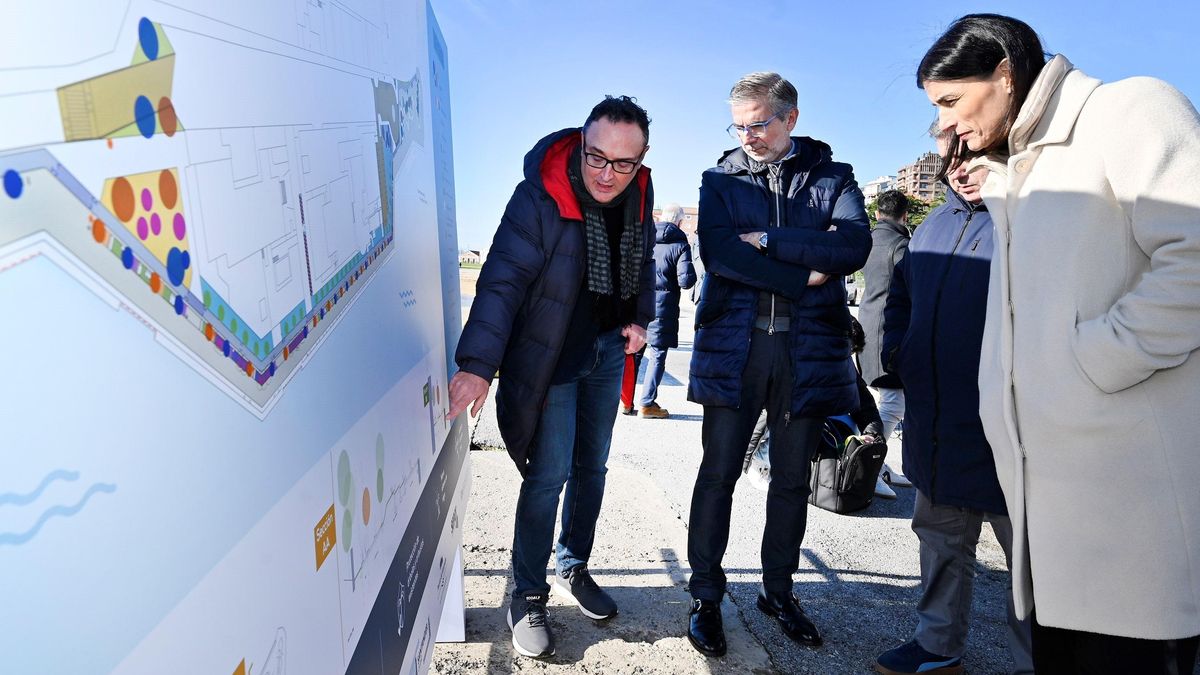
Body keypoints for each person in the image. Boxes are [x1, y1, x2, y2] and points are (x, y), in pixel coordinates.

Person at [919, 14, 1200, 674]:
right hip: (1053, 512)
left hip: (1127, 503)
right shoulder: (1017, 170)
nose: (948, 125)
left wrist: (1095, 359)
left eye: (952, 102)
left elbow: (1194, 251)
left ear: (1005, 73)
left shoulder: (1130, 107)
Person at [446, 95, 656, 659]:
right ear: (580, 143)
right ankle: (526, 592)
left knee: (594, 468)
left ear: (640, 160)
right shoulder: (538, 195)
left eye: (622, 163)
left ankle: (574, 563)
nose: (606, 174)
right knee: (548, 474)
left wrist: (639, 317)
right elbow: (502, 280)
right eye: (595, 157)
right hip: (551, 358)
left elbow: (643, 261)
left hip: (607, 352)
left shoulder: (639, 191)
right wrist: (477, 365)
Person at [684, 71, 871, 657]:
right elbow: (719, 254)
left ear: (790, 118)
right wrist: (800, 272)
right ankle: (706, 596)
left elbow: (852, 248)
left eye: (759, 124)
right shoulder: (718, 180)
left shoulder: (833, 178)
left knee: (791, 482)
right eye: (738, 126)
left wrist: (766, 238)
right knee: (718, 475)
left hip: (807, 348)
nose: (748, 136)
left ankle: (778, 591)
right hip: (735, 348)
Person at [873, 128, 1032, 675]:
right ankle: (938, 645)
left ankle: (1038, 660)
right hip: (935, 417)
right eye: (953, 160)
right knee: (940, 539)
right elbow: (902, 295)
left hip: (1010, 425)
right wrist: (898, 351)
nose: (962, 171)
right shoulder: (932, 225)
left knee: (1031, 563)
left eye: (977, 158)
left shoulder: (1029, 218)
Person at [857, 189, 914, 500]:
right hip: (890, 330)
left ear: (878, 213)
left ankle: (878, 463)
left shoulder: (866, 240)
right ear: (904, 216)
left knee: (874, 401)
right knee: (891, 404)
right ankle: (870, 468)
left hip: (865, 324)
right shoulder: (901, 245)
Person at [637, 202, 696, 418]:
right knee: (657, 355)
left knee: (635, 350)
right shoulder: (680, 244)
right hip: (663, 307)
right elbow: (686, 281)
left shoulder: (647, 238)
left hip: (641, 302)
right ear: (680, 221)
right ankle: (647, 403)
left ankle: (625, 401)